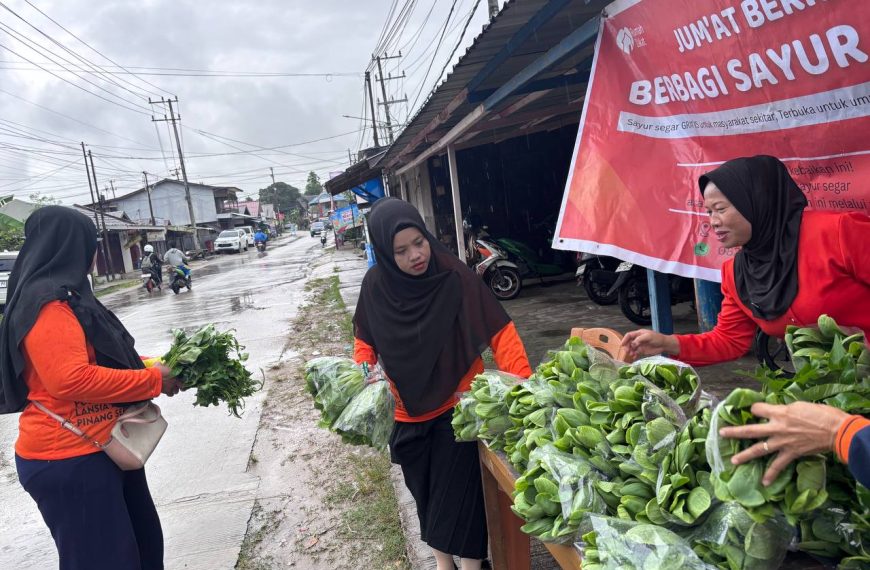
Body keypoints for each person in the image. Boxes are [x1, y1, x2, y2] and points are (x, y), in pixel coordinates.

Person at [620, 155, 870, 488]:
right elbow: (729, 340)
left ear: (757, 200)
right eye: (708, 211)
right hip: (825, 400)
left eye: (721, 209)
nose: (713, 221)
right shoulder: (737, 274)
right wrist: (668, 343)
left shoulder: (838, 232)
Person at [353, 197, 532, 570]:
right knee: (427, 499)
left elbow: (500, 330)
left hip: (458, 407)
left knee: (464, 501)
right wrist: (363, 372)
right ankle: (442, 564)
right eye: (400, 251)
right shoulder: (375, 285)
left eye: (419, 242)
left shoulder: (454, 275)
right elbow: (364, 338)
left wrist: (525, 386)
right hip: (404, 413)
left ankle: (468, 566)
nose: (415, 255)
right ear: (385, 253)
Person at [0, 206, 183, 569]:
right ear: (70, 245)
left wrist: (158, 365)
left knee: (144, 549)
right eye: (91, 243)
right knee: (105, 561)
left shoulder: (71, 295)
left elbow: (101, 360)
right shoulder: (47, 304)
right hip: (68, 456)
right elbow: (69, 379)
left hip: (105, 446)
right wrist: (154, 380)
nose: (94, 253)